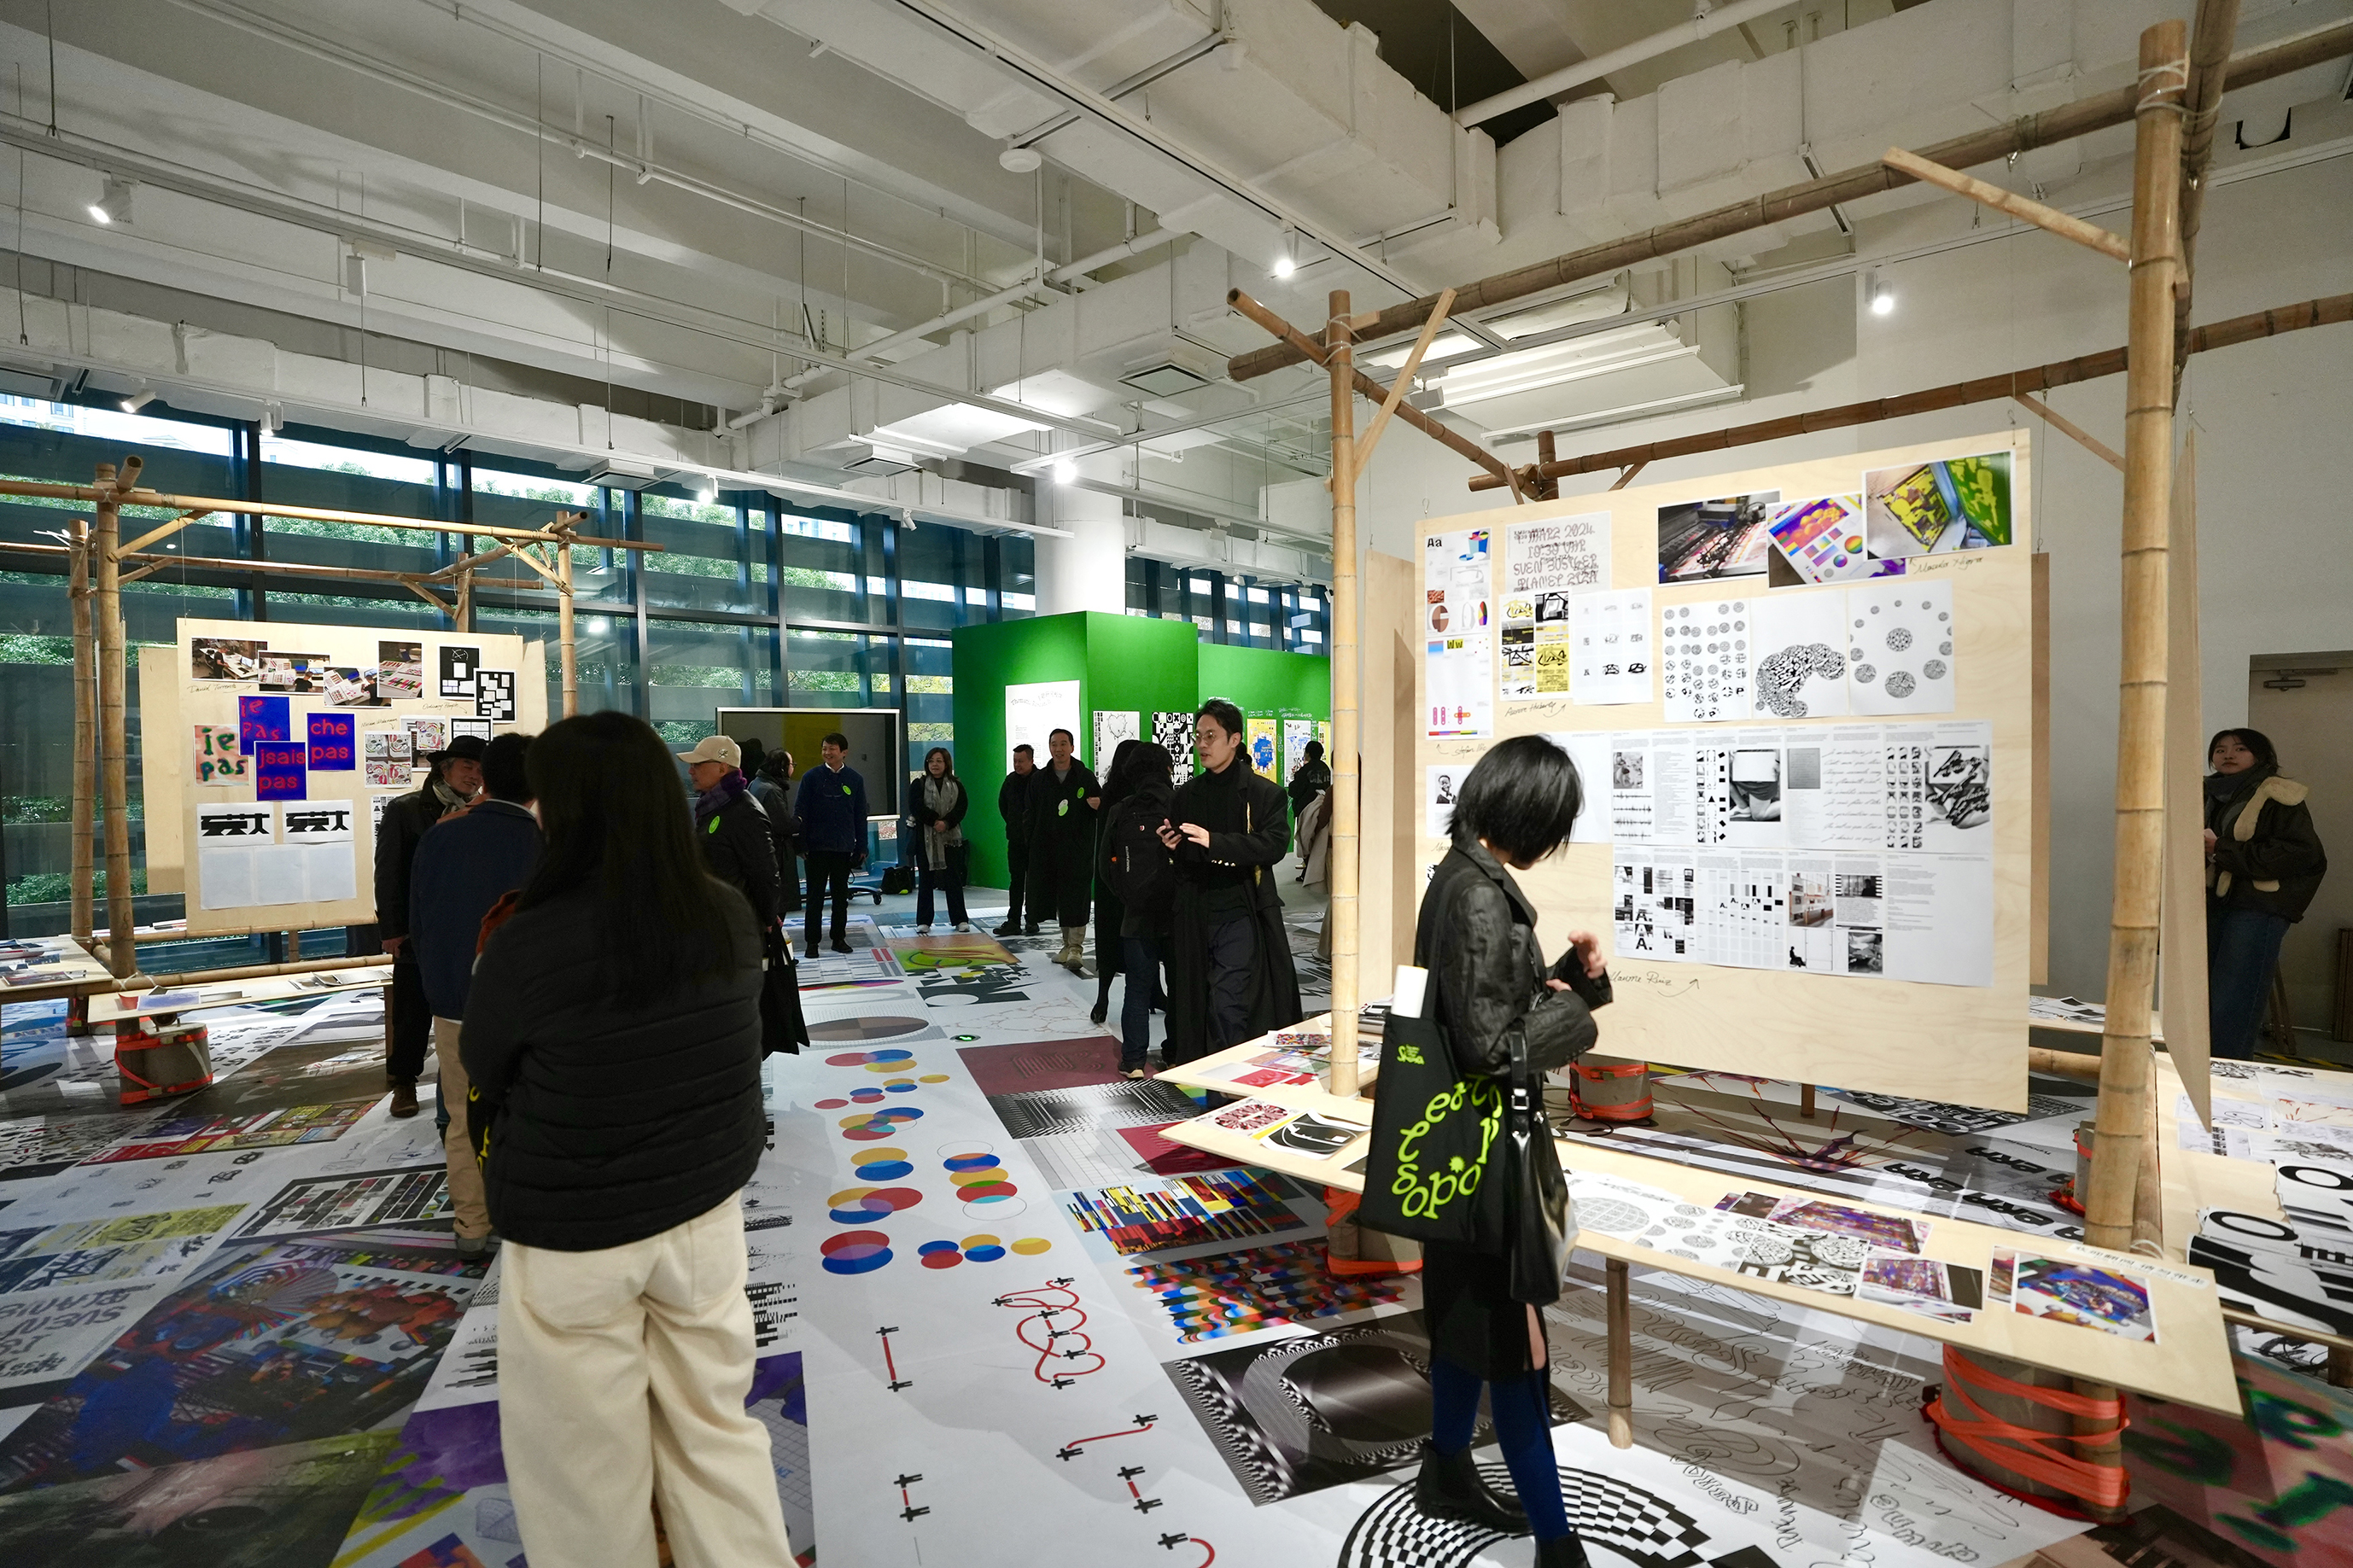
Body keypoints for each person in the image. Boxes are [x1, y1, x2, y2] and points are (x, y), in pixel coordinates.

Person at [459, 711, 794, 1568]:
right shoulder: (722, 914)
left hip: (574, 1230)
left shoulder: (527, 937)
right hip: (703, 1213)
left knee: (581, 1463)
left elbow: (482, 1065)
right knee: (715, 1429)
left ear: (566, 808)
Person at [1410, 734, 1609, 1568]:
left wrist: (1569, 981)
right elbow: (1493, 1044)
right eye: (1553, 825)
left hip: (1452, 1151)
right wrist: (1581, 1014)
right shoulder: (1482, 896)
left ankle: (1445, 1468)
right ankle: (1558, 1549)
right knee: (1519, 1344)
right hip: (1490, 1158)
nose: (1552, 841)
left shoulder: (1456, 876)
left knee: (1466, 1319)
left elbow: (1480, 1004)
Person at [407, 732, 541, 1261]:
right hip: (532, 1006)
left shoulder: (440, 836)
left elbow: (420, 922)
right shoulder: (547, 842)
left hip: (456, 1002)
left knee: (463, 1116)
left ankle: (471, 1224)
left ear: (484, 777)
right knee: (535, 1109)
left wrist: (440, 989)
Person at [1158, 700, 1302, 1064]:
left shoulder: (1264, 794)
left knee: (1229, 1002)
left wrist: (1215, 842)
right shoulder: (1186, 795)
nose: (1202, 744)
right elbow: (1185, 858)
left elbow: (1273, 845)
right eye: (1198, 736)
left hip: (1242, 911)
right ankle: (1207, 1075)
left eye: (1211, 736)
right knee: (1196, 1000)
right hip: (1195, 912)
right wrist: (1173, 847)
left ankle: (1229, 1081)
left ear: (1234, 739)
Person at [373, 733, 486, 1117]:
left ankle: (467, 1081)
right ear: (445, 768)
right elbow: (388, 873)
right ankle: (404, 1082)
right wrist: (392, 929)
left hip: (464, 925)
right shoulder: (406, 810)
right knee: (412, 1007)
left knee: (467, 1005)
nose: (475, 775)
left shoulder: (481, 812)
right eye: (468, 766)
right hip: (418, 925)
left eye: (481, 769)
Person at [2205, 727, 2327, 1061]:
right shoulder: (2204, 792)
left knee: (2235, 995)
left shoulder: (2279, 795)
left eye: (2240, 749)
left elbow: (2301, 854)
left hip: (2257, 905)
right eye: (2220, 749)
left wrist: (2221, 849)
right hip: (2212, 902)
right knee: (2207, 992)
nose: (2228, 755)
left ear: (2259, 756)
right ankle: (2200, 1070)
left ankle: (2226, 1072)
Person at [1100, 741, 1176, 1077]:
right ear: (1167, 769)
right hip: (1176, 913)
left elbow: (1105, 866)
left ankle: (1132, 1060)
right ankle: (1175, 1053)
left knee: (1137, 988)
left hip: (1136, 915)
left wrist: (1128, 895)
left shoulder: (1121, 810)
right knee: (1180, 986)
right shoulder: (1180, 805)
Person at [681, 735, 780, 929]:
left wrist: (767, 917)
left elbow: (764, 873)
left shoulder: (744, 812)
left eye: (698, 764)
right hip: (716, 919)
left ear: (722, 768)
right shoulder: (712, 806)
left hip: (736, 924)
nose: (691, 771)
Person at [1027, 727, 1102, 971]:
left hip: (1078, 850)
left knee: (1077, 897)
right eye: (1054, 744)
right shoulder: (1040, 779)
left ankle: (1076, 949)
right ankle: (1066, 945)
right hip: (1048, 850)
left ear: (1072, 747)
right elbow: (1030, 813)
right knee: (1060, 897)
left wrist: (1098, 805)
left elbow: (1101, 806)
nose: (1058, 749)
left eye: (1063, 744)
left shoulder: (1085, 777)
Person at [1089, 740, 1149, 1024]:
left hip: (1110, 880)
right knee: (1141, 939)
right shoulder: (1135, 797)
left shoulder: (1109, 795)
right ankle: (1152, 994)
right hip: (1134, 879)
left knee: (1109, 939)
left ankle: (1102, 999)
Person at [796, 732, 868, 955]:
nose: (827, 753)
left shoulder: (855, 779)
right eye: (824, 749)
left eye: (832, 749)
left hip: (842, 847)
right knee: (814, 898)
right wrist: (801, 844)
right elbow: (800, 812)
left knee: (840, 897)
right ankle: (812, 943)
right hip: (816, 847)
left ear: (844, 752)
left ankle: (839, 939)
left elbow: (860, 815)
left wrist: (862, 846)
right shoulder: (811, 777)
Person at [908, 746, 972, 934]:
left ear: (946, 764)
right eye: (931, 761)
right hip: (925, 839)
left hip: (950, 838)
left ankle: (960, 919)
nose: (935, 765)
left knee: (953, 879)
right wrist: (935, 821)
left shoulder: (956, 785)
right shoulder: (918, 784)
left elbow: (961, 808)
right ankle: (924, 921)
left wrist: (947, 823)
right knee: (926, 881)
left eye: (939, 761)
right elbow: (915, 806)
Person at [996, 743, 1040, 937]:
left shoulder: (1040, 780)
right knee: (1016, 881)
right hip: (1015, 839)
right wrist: (1014, 825)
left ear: (1031, 761)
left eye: (1021, 761)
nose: (1017, 765)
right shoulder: (1010, 781)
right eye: (1015, 761)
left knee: (1034, 881)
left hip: (1036, 841)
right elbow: (1003, 805)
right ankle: (1013, 920)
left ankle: (1032, 919)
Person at [756, 749, 801, 915]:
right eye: (792, 764)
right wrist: (799, 820)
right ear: (783, 767)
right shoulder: (772, 791)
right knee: (778, 907)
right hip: (776, 854)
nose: (793, 768)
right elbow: (783, 825)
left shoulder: (757, 783)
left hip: (764, 851)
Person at [1287, 738, 1331, 845]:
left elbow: (1294, 791)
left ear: (1308, 753)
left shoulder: (1305, 770)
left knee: (1305, 840)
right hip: (1323, 809)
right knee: (1320, 840)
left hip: (1306, 811)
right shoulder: (1326, 769)